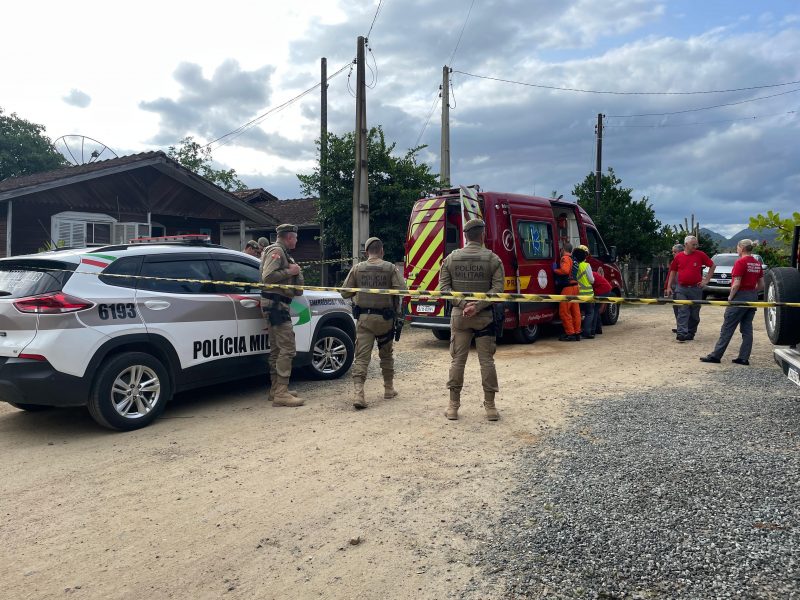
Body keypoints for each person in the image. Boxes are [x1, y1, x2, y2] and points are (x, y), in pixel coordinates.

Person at [439, 219, 504, 421]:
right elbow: (498, 290)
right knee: (487, 361)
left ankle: (453, 407)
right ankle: (490, 408)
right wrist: (477, 306)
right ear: (482, 234)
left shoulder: (451, 258)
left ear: (465, 235)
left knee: (458, 361)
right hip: (484, 317)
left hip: (460, 317)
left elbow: (443, 289)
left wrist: (462, 304)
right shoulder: (493, 259)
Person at [341, 237, 406, 409]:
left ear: (365, 253)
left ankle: (359, 394)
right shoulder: (390, 268)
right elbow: (403, 290)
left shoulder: (357, 268)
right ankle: (388, 389)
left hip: (364, 320)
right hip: (385, 320)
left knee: (361, 357)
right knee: (386, 355)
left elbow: (344, 293)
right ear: (382, 250)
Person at [261, 224, 305, 407]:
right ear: (288, 237)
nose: (296, 240)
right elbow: (268, 276)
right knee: (287, 348)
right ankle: (281, 393)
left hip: (276, 304)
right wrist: (291, 271)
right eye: (295, 237)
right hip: (276, 305)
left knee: (277, 349)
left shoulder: (283, 252)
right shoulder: (277, 251)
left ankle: (277, 389)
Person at [700, 239, 764, 365]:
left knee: (727, 327)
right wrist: (751, 292)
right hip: (752, 296)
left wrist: (730, 297)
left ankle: (716, 355)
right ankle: (744, 357)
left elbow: (736, 284)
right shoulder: (757, 263)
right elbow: (762, 285)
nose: (737, 249)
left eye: (737, 247)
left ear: (741, 248)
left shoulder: (740, 262)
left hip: (740, 296)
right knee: (747, 328)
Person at [664, 235, 715, 342]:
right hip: (681, 288)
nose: (695, 246)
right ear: (686, 245)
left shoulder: (700, 255)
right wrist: (669, 286)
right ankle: (681, 333)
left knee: (694, 314)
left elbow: (712, 266)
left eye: (696, 244)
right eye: (693, 244)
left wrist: (706, 280)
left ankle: (691, 332)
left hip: (696, 288)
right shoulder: (678, 257)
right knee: (683, 310)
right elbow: (672, 272)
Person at [553, 242, 580, 341]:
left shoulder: (565, 258)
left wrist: (555, 270)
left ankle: (570, 333)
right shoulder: (574, 259)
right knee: (575, 311)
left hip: (568, 288)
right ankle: (577, 332)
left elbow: (565, 271)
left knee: (564, 311)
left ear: (563, 249)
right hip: (575, 287)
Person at [572, 245, 595, 339]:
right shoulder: (586, 265)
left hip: (577, 293)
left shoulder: (574, 264)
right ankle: (587, 332)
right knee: (590, 313)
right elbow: (591, 280)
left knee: (577, 313)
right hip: (588, 294)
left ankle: (577, 330)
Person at [665, 243, 684, 333]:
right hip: (674, 288)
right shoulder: (673, 262)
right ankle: (679, 326)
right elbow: (669, 275)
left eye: (675, 252)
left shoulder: (684, 260)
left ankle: (684, 328)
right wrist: (667, 287)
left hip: (682, 288)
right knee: (676, 308)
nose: (673, 253)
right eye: (672, 252)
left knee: (683, 309)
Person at [590, 270, 613, 335]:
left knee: (595, 310)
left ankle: (593, 330)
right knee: (596, 310)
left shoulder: (589, 275)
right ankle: (598, 329)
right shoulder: (592, 273)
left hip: (603, 290)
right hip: (606, 289)